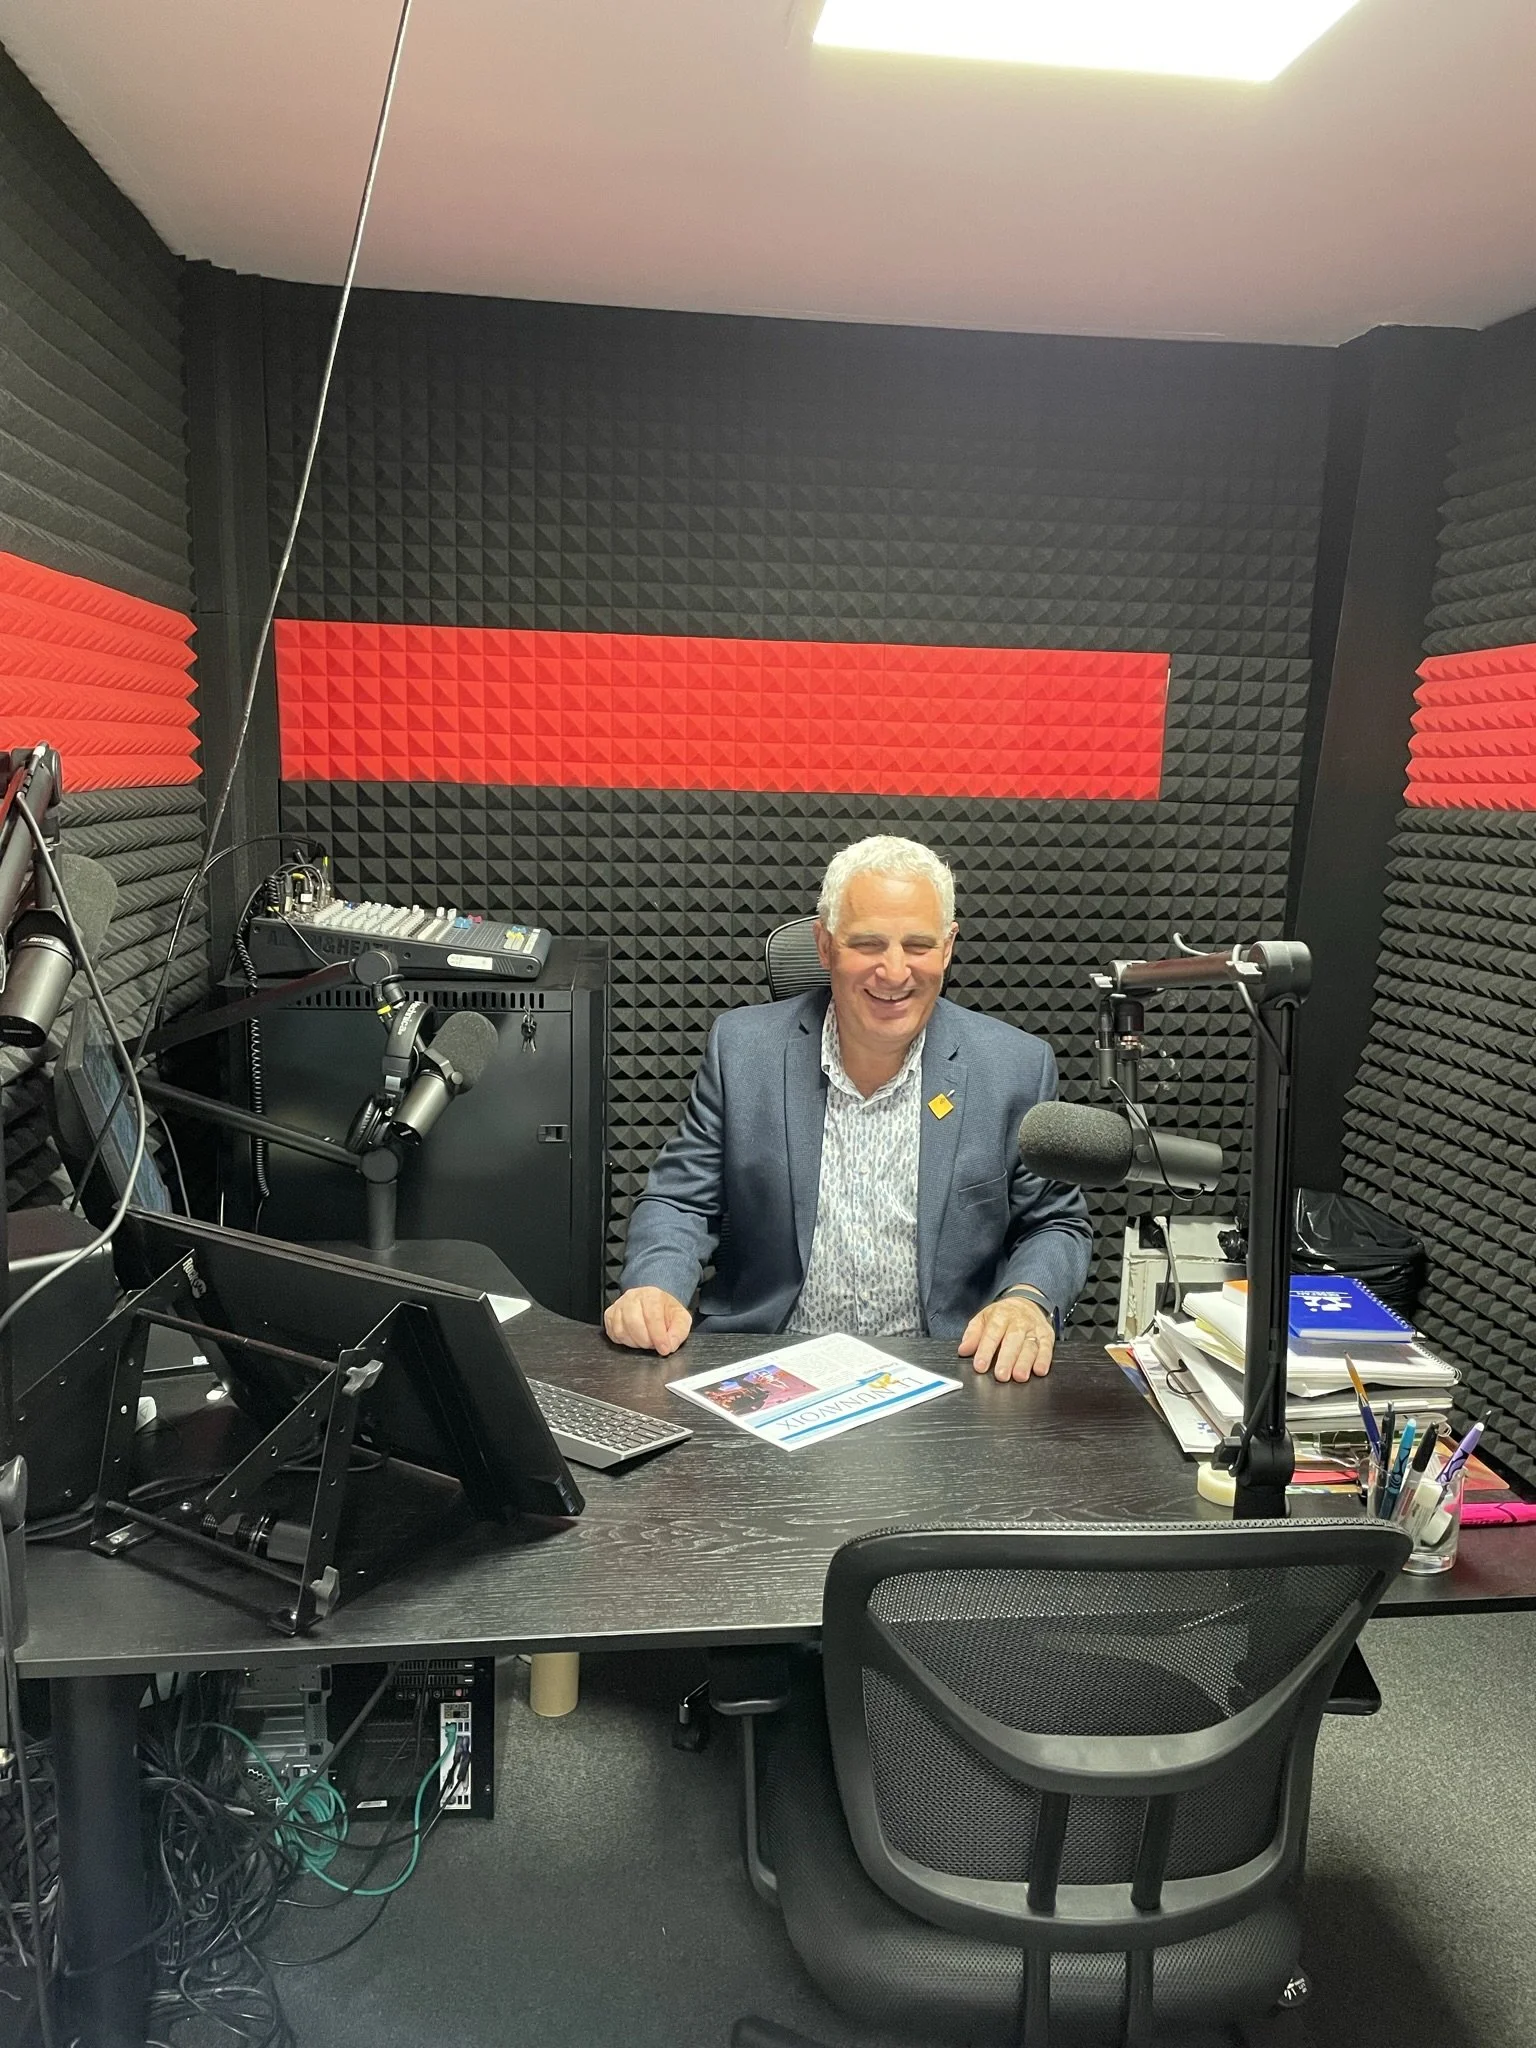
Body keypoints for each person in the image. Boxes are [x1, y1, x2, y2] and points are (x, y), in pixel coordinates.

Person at [605, 836, 1092, 1381]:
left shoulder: (1015, 1068)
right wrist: (655, 1286)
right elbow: (679, 1201)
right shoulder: (743, 1052)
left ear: (949, 946)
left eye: (917, 945)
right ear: (824, 943)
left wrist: (1026, 1300)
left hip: (946, 1376)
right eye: (868, 943)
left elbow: (1054, 1224)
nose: (893, 970)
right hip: (768, 1369)